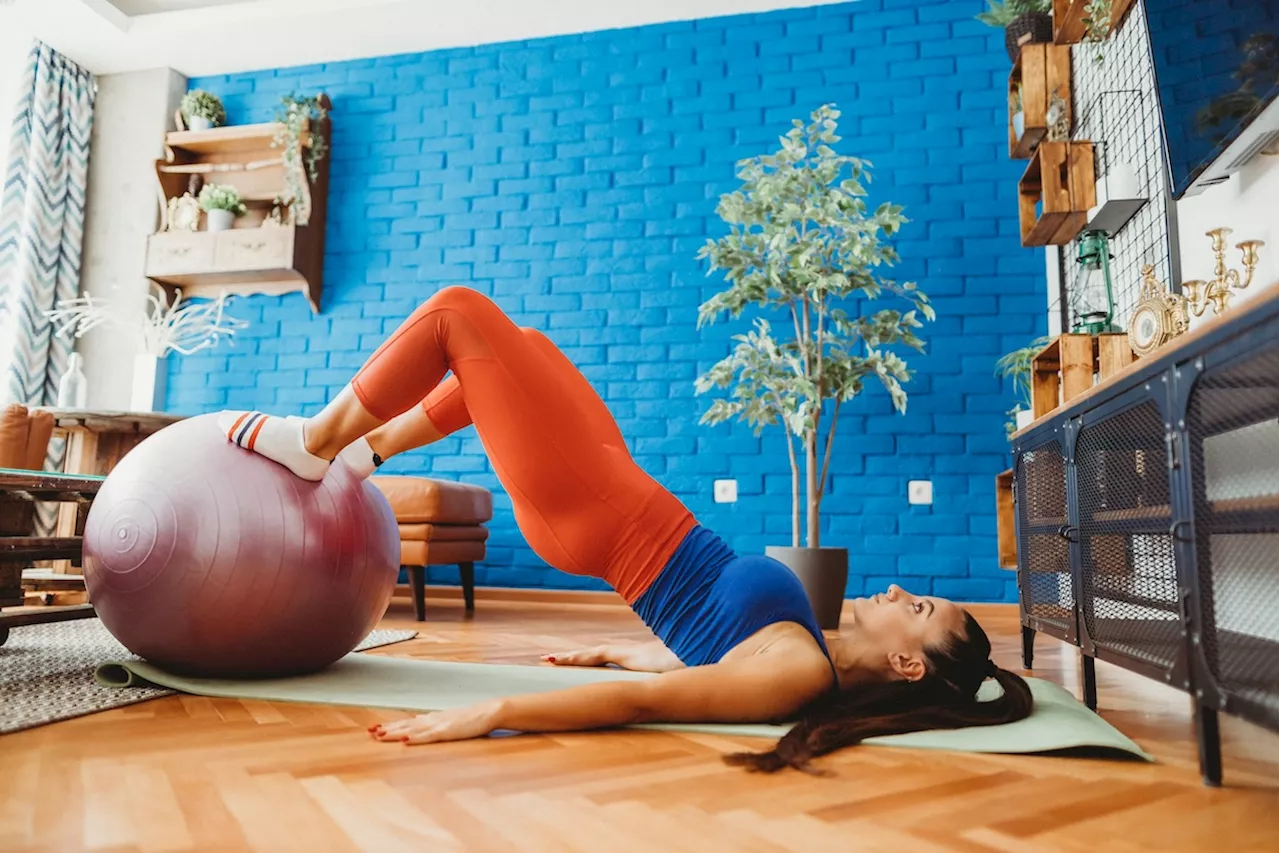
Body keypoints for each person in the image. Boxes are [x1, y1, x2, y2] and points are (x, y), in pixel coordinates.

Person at [217, 286, 1033, 773]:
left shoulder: (796, 671)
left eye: (917, 610)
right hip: (615, 480)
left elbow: (645, 703)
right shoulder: (801, 644)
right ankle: (369, 452)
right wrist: (624, 647)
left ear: (904, 661)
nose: (899, 592)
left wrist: (495, 708)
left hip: (592, 510)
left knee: (458, 318)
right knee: (519, 348)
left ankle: (316, 443)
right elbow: (699, 655)